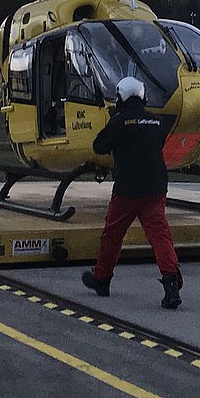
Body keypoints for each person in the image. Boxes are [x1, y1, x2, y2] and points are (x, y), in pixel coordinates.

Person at [82, 76, 183, 309]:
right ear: (142, 96)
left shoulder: (119, 122)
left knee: (113, 235)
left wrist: (114, 124)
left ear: (121, 98)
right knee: (160, 237)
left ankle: (102, 278)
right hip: (155, 187)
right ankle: (172, 285)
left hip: (127, 188)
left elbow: (99, 146)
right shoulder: (157, 122)